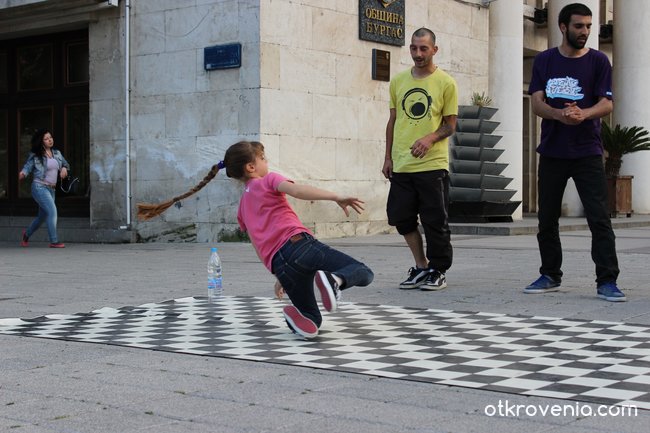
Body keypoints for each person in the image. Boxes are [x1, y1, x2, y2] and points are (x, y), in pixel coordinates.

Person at [137, 141, 374, 339]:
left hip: (280, 264)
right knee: (362, 271)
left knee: (312, 318)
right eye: (264, 159)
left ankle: (305, 319)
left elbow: (257, 245)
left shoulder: (242, 208)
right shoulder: (268, 180)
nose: (267, 163)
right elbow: (298, 191)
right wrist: (335, 196)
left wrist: (280, 273)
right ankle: (335, 280)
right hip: (299, 244)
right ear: (252, 166)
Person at [526, 3, 624, 302]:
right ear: (563, 27)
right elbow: (537, 102)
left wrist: (584, 114)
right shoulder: (544, 60)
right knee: (547, 218)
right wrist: (559, 115)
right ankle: (550, 274)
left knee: (599, 219)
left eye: (588, 26)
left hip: (587, 152)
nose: (585, 32)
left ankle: (607, 280)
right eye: (579, 26)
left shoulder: (598, 62)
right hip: (553, 151)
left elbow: (606, 104)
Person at [382, 27, 458, 291]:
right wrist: (388, 157)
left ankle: (438, 270)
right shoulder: (399, 81)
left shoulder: (446, 83)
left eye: (423, 48)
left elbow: (450, 126)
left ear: (434, 50)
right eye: (414, 48)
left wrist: (429, 138)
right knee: (400, 217)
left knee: (435, 221)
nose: (418, 53)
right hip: (402, 163)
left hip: (432, 165)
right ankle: (422, 266)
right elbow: (393, 121)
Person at [18, 128, 70, 248]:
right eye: (46, 139)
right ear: (41, 142)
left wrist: (64, 169)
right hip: (39, 187)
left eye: (50, 137)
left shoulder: (57, 153)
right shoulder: (36, 155)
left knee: (42, 217)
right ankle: (54, 241)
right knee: (52, 211)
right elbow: (28, 166)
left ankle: (26, 234)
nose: (49, 140)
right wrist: (23, 173)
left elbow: (66, 164)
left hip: (52, 189)